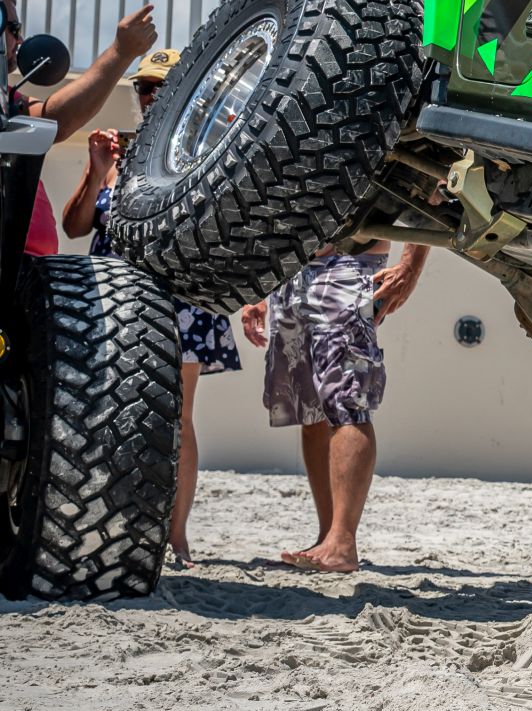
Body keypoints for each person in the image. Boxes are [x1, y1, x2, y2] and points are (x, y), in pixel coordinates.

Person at [62, 48, 242, 562]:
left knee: (175, 416)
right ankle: (113, 525)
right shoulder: (119, 153)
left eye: (162, 85)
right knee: (106, 410)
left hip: (179, 298)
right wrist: (97, 170)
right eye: (143, 87)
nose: (150, 95)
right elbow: (74, 226)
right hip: (113, 298)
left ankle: (175, 533)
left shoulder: (208, 146)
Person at [239, 238, 429, 575]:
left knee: (348, 403)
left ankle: (342, 542)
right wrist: (261, 289)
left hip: (349, 263)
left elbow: (431, 203)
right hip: (291, 271)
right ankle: (327, 537)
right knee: (310, 410)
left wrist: (410, 267)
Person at [3, 0, 159, 253]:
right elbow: (56, 120)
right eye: (13, 29)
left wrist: (122, 53)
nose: (21, 40)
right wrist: (121, 52)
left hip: (29, 267)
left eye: (164, 85)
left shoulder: (8, 102)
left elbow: (53, 120)